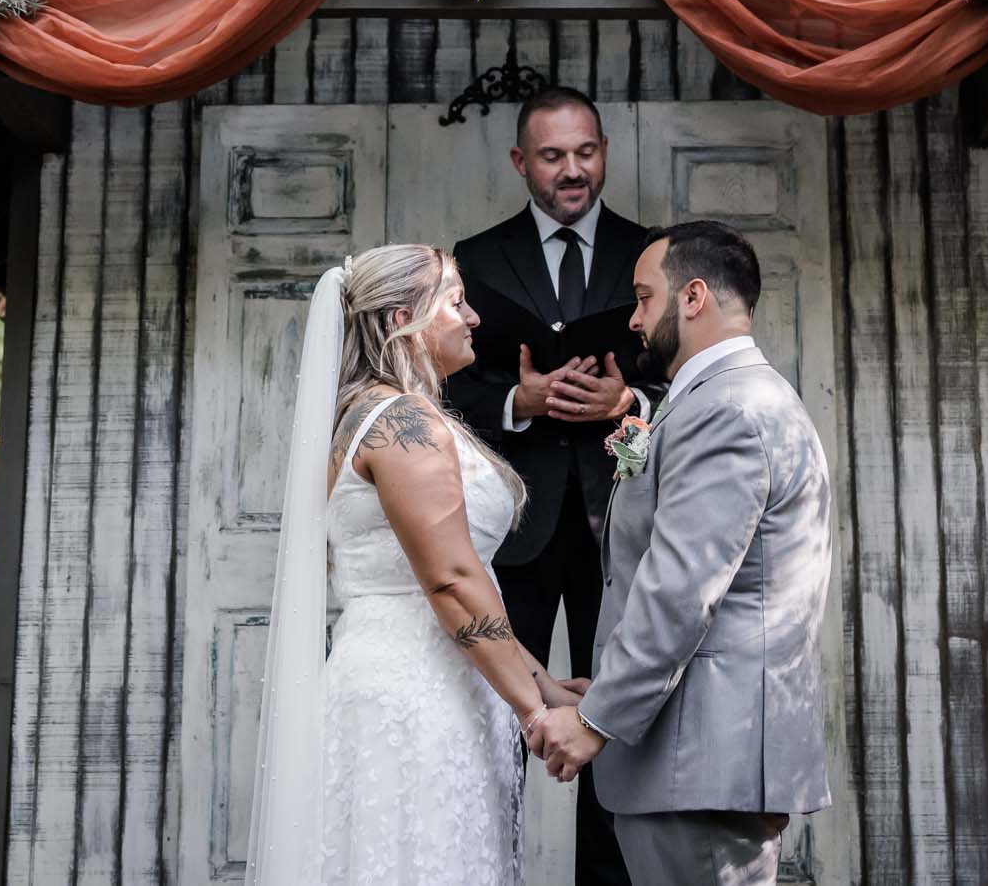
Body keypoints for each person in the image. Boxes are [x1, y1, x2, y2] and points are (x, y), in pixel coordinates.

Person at [247, 243, 589, 886]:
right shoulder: (401, 421)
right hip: (414, 692)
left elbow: (452, 579)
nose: (474, 318)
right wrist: (534, 713)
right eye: (456, 302)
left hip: (423, 673)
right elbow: (450, 580)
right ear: (405, 316)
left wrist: (543, 681)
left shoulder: (369, 415)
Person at [529, 221, 835, 886]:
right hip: (688, 759)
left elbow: (681, 591)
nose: (634, 319)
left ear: (691, 296)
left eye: (644, 297)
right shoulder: (713, 400)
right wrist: (605, 687)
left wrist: (596, 719)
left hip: (700, 764)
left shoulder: (728, 408)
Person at [447, 86, 655, 886]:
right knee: (502, 720)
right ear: (520, 161)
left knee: (618, 718)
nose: (573, 170)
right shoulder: (477, 255)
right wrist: (518, 400)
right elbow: (446, 391)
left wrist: (627, 401)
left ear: (604, 148)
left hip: (623, 523)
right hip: (519, 530)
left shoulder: (650, 253)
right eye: (553, 156)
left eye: (586, 152)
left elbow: (685, 374)